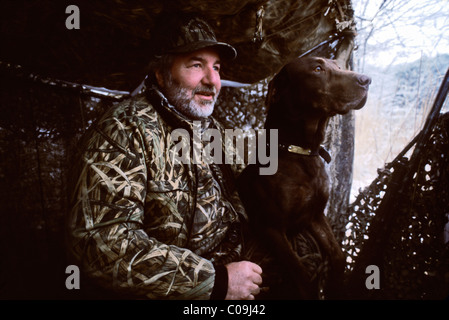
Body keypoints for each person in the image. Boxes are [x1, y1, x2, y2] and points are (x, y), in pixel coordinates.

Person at [66, 15, 263, 300]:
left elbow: (255, 193)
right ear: (161, 73)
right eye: (196, 65)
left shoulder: (213, 131)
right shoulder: (123, 131)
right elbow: (100, 242)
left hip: (239, 277)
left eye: (216, 68)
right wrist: (216, 281)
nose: (212, 80)